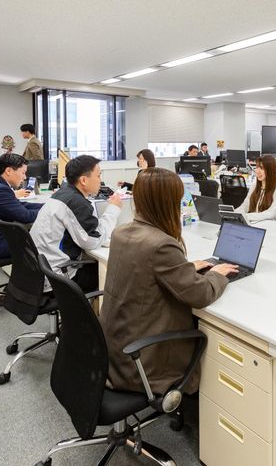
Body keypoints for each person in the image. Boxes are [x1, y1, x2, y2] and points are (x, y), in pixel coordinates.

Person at [99, 167, 237, 395]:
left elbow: (145, 271)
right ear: (168, 202)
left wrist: (185, 267)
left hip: (115, 351)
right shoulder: (162, 245)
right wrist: (217, 273)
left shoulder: (121, 232)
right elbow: (200, 294)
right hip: (141, 362)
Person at [32, 155, 122, 291]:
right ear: (84, 180)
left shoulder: (62, 194)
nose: (100, 180)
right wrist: (113, 209)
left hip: (42, 270)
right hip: (58, 277)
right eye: (98, 176)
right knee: (113, 272)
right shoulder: (76, 202)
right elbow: (93, 241)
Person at [236, 154, 276, 222]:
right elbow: (245, 206)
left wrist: (245, 216)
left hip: (271, 225)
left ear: (270, 170)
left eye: (261, 168)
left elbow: (270, 213)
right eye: (257, 167)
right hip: (255, 223)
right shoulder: (254, 186)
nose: (257, 171)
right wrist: (233, 214)